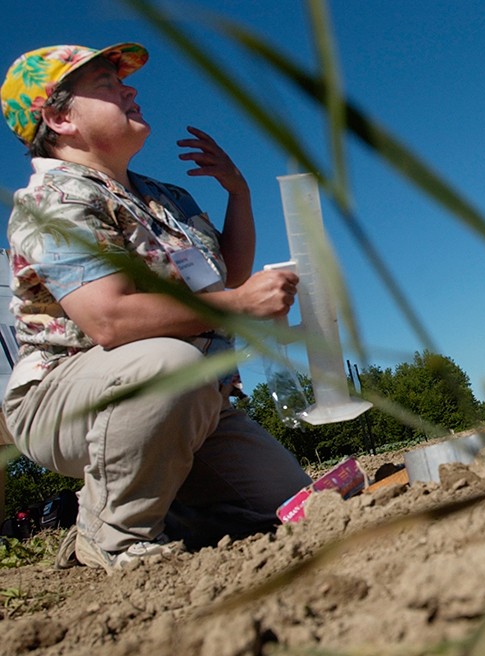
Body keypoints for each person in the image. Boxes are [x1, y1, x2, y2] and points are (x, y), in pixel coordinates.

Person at [0, 43, 312, 572]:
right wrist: (239, 305)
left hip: (187, 395)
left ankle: (166, 509)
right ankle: (114, 533)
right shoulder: (52, 200)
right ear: (59, 118)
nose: (130, 91)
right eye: (107, 85)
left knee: (288, 503)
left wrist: (238, 193)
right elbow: (109, 318)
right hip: (66, 397)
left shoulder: (164, 198)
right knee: (172, 365)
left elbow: (226, 281)